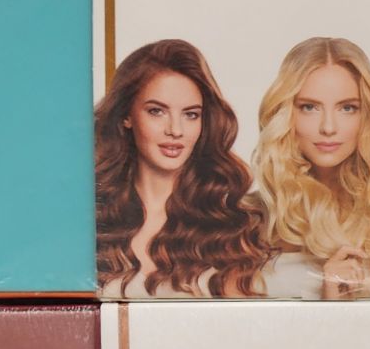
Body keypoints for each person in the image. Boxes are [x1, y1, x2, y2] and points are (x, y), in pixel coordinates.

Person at [252, 38, 370, 300]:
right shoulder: (252, 217)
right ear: (286, 113)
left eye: (347, 108)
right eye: (309, 107)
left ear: (367, 115)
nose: (328, 127)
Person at [94, 38, 265, 297]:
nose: (176, 130)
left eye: (191, 114)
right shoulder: (93, 219)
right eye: (157, 111)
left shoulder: (231, 226)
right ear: (126, 115)